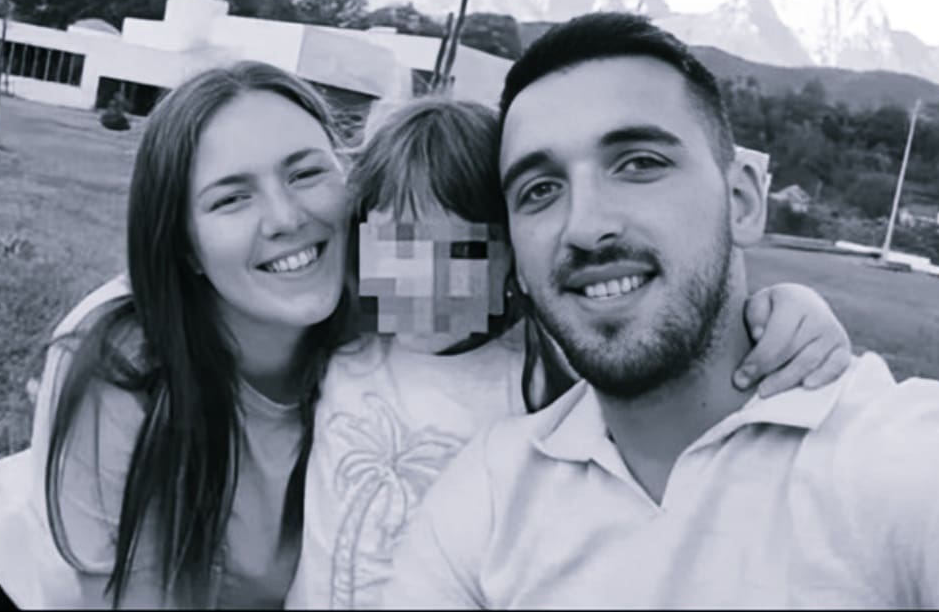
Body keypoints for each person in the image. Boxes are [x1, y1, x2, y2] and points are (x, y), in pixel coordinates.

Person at [380, 13, 939, 609]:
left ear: (742, 202)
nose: (586, 226)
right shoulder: (489, 493)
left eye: (639, 163)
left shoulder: (900, 459)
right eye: (540, 189)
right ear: (517, 256)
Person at [286, 96, 855, 609]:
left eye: (459, 252)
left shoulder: (539, 372)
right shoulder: (342, 343)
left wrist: (785, 310)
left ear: (515, 262)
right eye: (397, 245)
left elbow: (673, 350)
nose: (422, 280)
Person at [0, 61, 359, 609]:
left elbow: (429, 192)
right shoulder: (120, 353)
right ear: (185, 246)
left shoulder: (398, 309)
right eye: (230, 198)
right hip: (25, 583)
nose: (286, 218)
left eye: (306, 173)